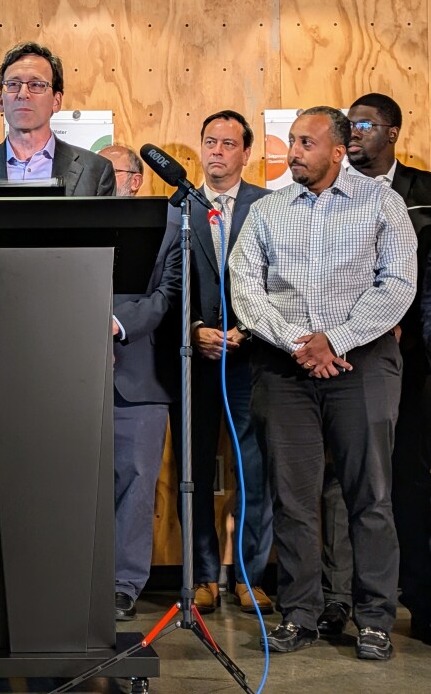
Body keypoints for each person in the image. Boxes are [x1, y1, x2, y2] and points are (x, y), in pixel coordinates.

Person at [230, 106, 416, 660]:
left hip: (362, 364)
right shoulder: (268, 210)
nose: (292, 152)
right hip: (286, 371)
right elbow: (245, 287)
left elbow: (398, 283)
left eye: (305, 143)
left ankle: (375, 617)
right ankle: (301, 613)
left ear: (338, 151)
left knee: (371, 496)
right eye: (290, 141)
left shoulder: (383, 203)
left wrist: (335, 338)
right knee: (293, 500)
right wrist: (296, 341)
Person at [0, 41, 115, 580]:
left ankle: (61, 588)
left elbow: (104, 256)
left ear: (57, 98)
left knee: (62, 477)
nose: (23, 93)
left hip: (65, 348)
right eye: (13, 85)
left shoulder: (91, 171)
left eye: (36, 84)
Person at [319, 93, 431, 643]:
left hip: (416, 364)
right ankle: (340, 598)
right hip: (347, 359)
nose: (355, 131)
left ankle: (412, 598)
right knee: (344, 482)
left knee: (404, 483)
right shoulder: (327, 195)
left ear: (393, 132)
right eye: (349, 123)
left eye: (365, 124)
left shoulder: (426, 194)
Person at [179, 111, 273, 615]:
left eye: (228, 143)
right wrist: (196, 330)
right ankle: (202, 576)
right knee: (194, 471)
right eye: (209, 142)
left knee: (252, 469)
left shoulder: (269, 206)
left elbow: (284, 282)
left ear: (245, 152)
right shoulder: (179, 208)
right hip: (195, 359)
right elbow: (166, 286)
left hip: (252, 357)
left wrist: (250, 328)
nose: (217, 151)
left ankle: (249, 576)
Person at [107, 152, 181, 620]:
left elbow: (167, 295)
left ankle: (123, 584)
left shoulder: (172, 223)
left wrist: (112, 324)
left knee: (135, 486)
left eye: (108, 173)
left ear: (135, 181)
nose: (96, 181)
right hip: (64, 377)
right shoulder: (72, 218)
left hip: (140, 377)